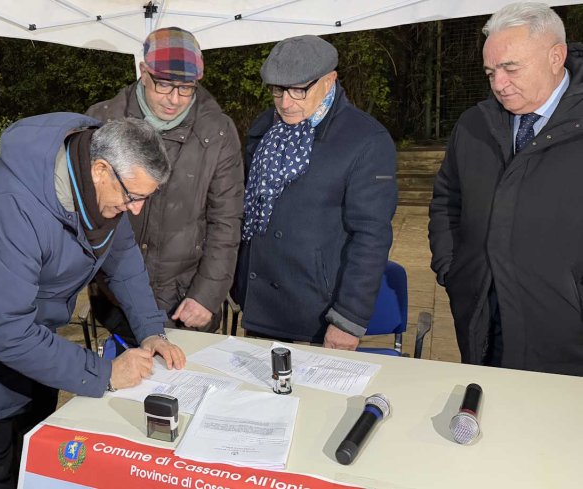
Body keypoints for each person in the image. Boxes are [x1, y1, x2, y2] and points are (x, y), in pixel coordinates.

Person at [0, 113, 187, 488]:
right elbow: (9, 332)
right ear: (99, 169)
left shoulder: (102, 191)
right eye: (133, 197)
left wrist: (151, 331)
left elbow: (124, 261)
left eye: (144, 198)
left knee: (35, 457)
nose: (136, 209)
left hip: (34, 341)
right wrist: (105, 373)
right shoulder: (9, 202)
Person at [429, 2, 583, 376]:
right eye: (490, 72)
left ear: (555, 57)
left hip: (565, 340)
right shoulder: (474, 125)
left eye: (510, 68)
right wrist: (453, 271)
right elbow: (447, 201)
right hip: (481, 319)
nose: (498, 83)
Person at [233, 35, 398, 349]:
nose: (285, 102)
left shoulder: (366, 140)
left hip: (319, 314)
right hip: (261, 305)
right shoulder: (264, 126)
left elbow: (371, 236)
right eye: (278, 90)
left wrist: (348, 319)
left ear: (329, 81)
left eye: (298, 89)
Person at [87, 26, 244, 337]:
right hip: (114, 296)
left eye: (186, 89)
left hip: (185, 302)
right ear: (144, 72)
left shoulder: (219, 133)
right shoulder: (101, 120)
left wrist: (207, 295)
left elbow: (226, 219)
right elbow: (87, 213)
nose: (175, 99)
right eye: (164, 85)